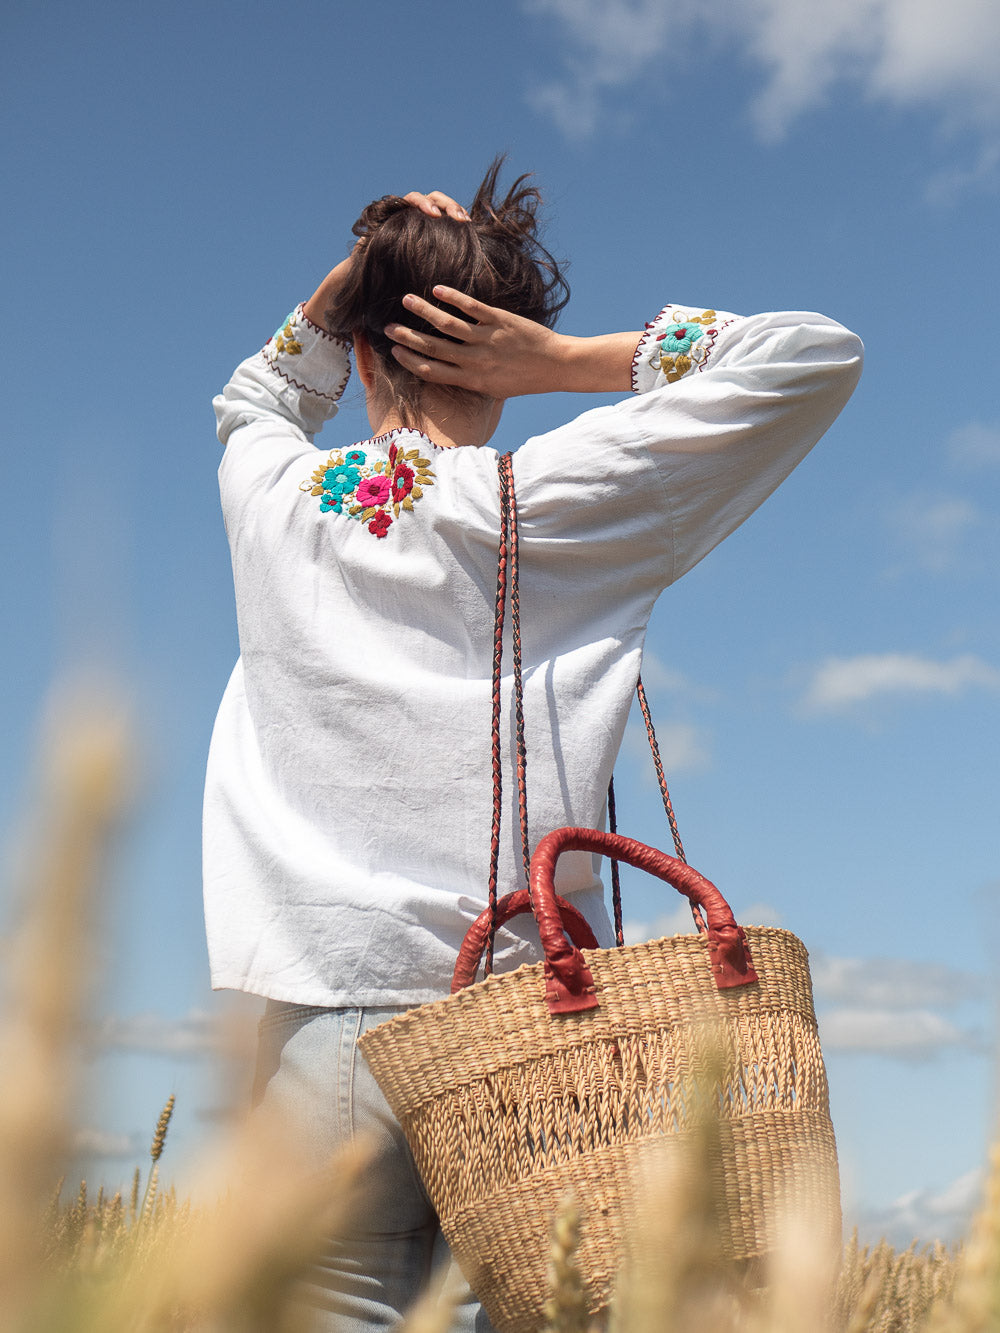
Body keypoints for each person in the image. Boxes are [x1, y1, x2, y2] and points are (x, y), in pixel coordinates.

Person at [205, 161, 863, 1331]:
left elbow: (255, 396)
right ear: (495, 360)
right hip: (530, 1025)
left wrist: (354, 281)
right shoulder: (554, 494)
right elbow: (812, 351)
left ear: (361, 348)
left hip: (318, 1018)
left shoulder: (271, 497)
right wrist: (563, 363)